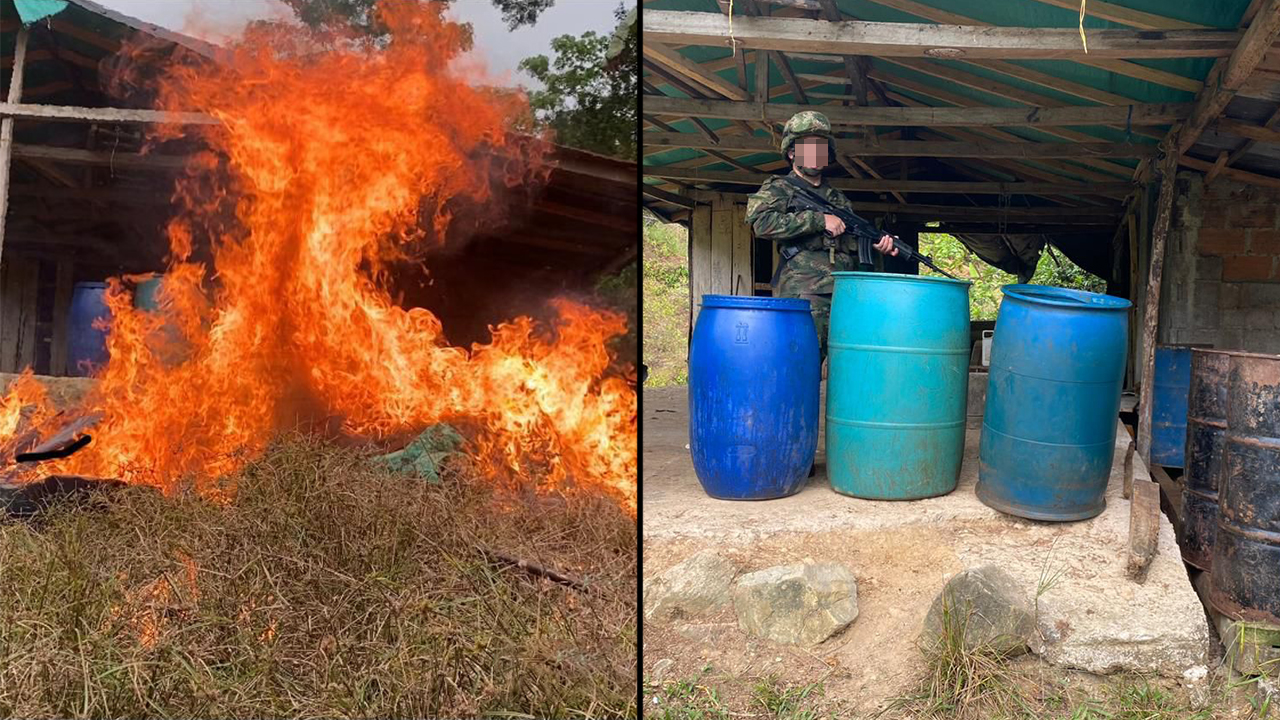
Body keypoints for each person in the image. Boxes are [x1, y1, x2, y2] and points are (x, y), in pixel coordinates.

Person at [745, 111, 898, 366]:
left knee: (845, 363)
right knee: (800, 363)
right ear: (792, 153)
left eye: (820, 148)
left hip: (843, 294)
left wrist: (876, 243)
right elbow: (761, 224)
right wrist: (818, 220)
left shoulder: (838, 198)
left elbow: (845, 242)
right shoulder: (779, 188)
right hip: (804, 292)